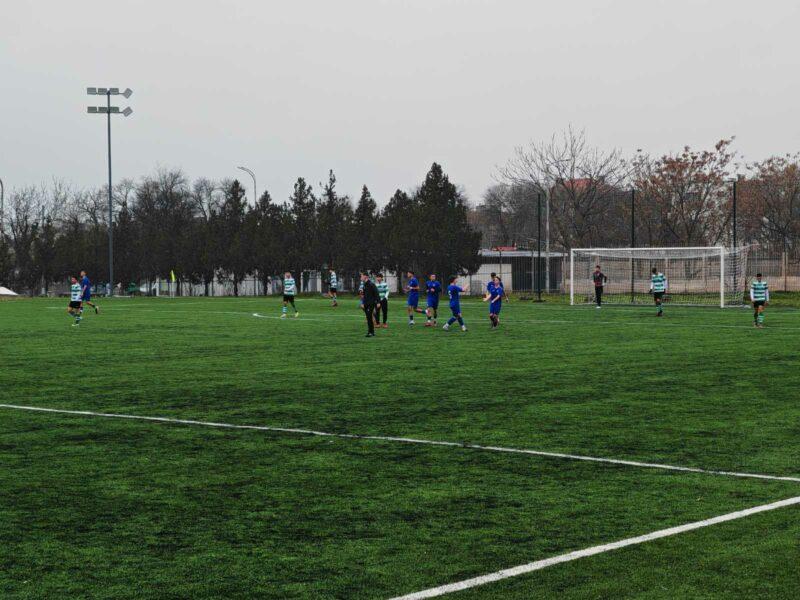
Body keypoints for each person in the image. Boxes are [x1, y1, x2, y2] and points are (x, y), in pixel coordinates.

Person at [361, 272, 379, 337]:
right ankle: (371, 332)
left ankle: (370, 332)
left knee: (369, 318)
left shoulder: (371, 284)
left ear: (365, 276)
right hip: (366, 303)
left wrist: (378, 302)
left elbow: (376, 293)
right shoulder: (364, 284)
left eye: (362, 276)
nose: (361, 278)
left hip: (371, 303)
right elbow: (364, 295)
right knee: (368, 318)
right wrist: (362, 303)